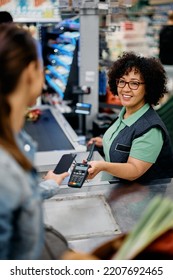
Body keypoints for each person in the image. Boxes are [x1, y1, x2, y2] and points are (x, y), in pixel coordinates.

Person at [0, 23, 69, 259]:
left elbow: (14, 202)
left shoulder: (16, 138)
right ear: (31, 71)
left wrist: (48, 185)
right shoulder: (4, 168)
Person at [87, 52, 173, 183]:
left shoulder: (151, 129)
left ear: (148, 88)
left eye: (134, 83)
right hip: (119, 191)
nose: (126, 89)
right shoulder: (125, 113)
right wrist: (105, 141)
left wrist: (102, 166)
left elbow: (134, 170)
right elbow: (125, 142)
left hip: (143, 199)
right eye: (122, 81)